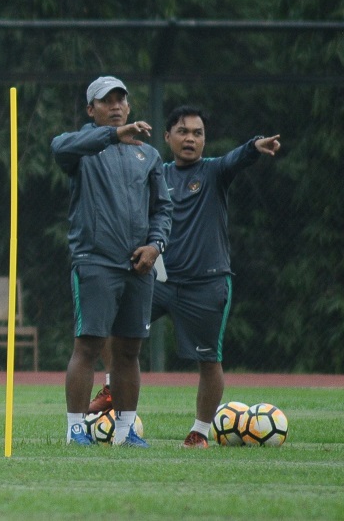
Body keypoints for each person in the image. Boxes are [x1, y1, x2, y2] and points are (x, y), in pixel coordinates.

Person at [87, 106, 281, 448]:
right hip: (158, 282)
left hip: (206, 283)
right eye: (183, 131)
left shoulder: (214, 171)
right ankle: (111, 386)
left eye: (197, 133)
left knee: (209, 360)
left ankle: (200, 432)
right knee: (110, 324)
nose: (190, 138)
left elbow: (236, 158)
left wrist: (254, 146)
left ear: (204, 139)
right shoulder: (156, 172)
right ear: (167, 137)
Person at [50, 76, 173, 447]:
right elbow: (59, 147)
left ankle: (125, 431)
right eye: (107, 101)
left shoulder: (148, 155)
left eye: (121, 99)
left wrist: (155, 246)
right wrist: (113, 135)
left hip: (139, 265)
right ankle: (76, 429)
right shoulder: (80, 149)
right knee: (88, 345)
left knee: (129, 351)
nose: (116, 106)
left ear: (129, 106)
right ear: (91, 110)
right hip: (95, 261)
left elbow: (163, 209)